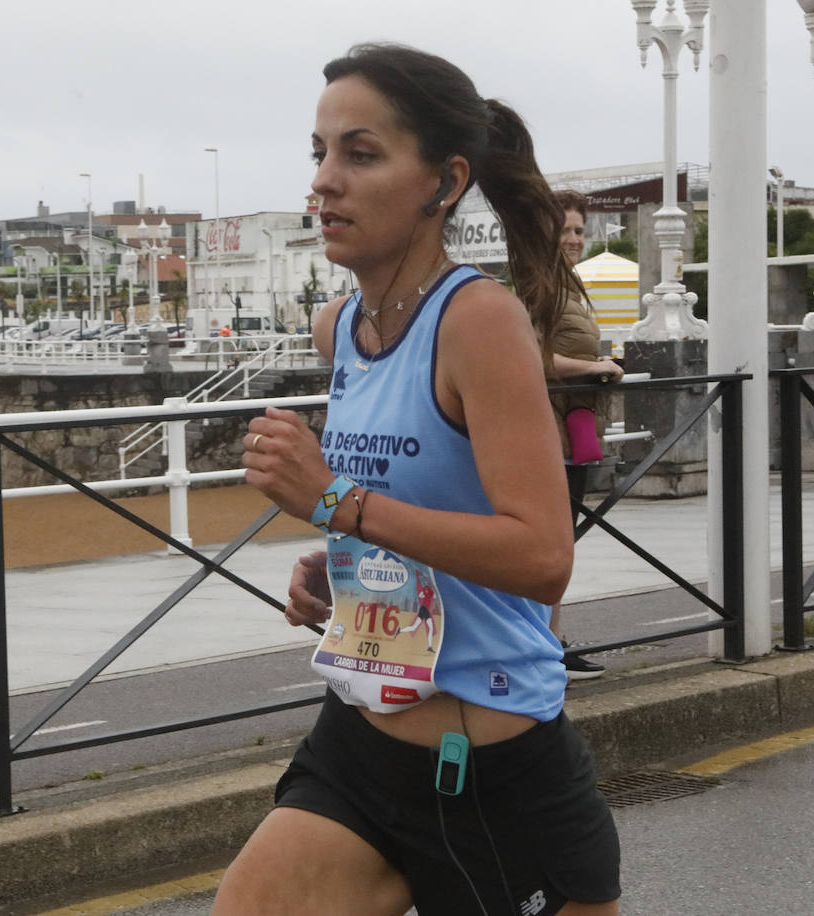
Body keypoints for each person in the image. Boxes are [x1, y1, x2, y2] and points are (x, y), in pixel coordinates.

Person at [214, 44, 620, 916]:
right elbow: (413, 503)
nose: (324, 182)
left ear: (443, 183)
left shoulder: (479, 322)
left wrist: (335, 501)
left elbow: (543, 557)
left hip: (487, 762)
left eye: (361, 154)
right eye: (318, 152)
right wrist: (345, 561)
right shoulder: (340, 328)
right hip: (361, 743)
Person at [543, 190, 624, 681]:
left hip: (571, 429)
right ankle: (544, 648)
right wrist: (594, 366)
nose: (574, 239)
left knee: (559, 543)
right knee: (552, 543)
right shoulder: (538, 286)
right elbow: (529, 358)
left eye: (578, 230)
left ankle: (549, 643)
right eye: (565, 230)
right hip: (547, 432)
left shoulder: (567, 284)